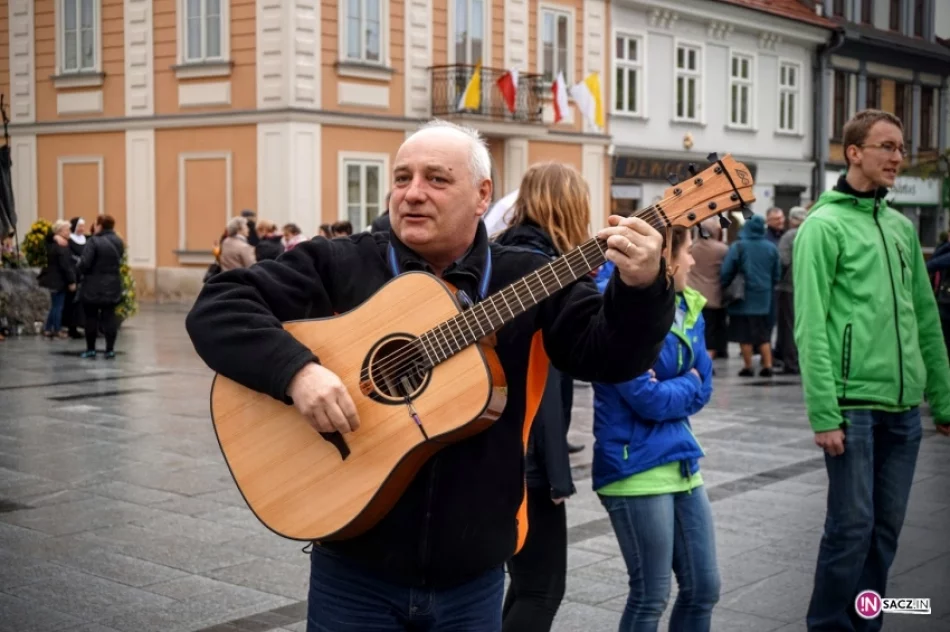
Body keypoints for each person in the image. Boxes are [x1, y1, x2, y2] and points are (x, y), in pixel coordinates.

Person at [185, 119, 675, 632]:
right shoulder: (339, 262)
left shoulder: (529, 275)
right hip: (354, 568)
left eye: (436, 179)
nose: (413, 193)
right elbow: (218, 305)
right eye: (403, 178)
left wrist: (643, 289)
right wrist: (297, 373)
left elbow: (610, 359)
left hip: (472, 576)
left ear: (482, 195)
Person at [794, 109, 950, 632]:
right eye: (887, 146)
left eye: (901, 148)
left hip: (903, 410)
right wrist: (824, 413)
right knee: (850, 529)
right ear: (854, 153)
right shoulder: (823, 226)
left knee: (884, 532)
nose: (897, 157)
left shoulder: (901, 228)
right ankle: (828, 626)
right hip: (852, 407)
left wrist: (944, 398)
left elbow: (925, 318)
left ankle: (866, 623)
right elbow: (810, 325)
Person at [592, 226, 720, 632]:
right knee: (651, 596)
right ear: (665, 258)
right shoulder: (617, 307)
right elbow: (645, 396)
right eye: (688, 251)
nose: (693, 260)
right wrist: (689, 382)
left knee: (704, 589)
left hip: (681, 460)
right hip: (634, 465)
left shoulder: (688, 304)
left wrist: (680, 385)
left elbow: (706, 384)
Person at [493, 162, 590, 632]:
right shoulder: (550, 271)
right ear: (572, 207)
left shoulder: (494, 256)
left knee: (519, 583)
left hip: (488, 440)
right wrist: (553, 469)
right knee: (542, 588)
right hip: (529, 449)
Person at [720, 215, 781, 377]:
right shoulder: (771, 248)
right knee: (763, 334)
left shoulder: (738, 246)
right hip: (764, 298)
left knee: (744, 334)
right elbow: (777, 274)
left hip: (742, 298)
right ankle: (767, 365)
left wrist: (725, 285)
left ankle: (748, 366)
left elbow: (726, 271)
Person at [78, 214, 125, 359]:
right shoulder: (118, 241)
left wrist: (79, 267)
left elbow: (85, 263)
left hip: (93, 285)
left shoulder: (93, 241)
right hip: (112, 284)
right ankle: (109, 350)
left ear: (99, 225)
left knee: (91, 317)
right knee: (110, 317)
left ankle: (91, 349)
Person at [688, 218, 729, 361]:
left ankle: (695, 360)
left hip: (692, 297)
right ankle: (707, 362)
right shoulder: (722, 249)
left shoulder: (691, 248)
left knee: (694, 331)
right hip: (714, 297)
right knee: (711, 333)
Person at [774, 206, 806, 374]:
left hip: (788, 287)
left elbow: (783, 261)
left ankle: (790, 362)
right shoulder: (810, 232)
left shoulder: (789, 236)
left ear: (793, 220)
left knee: (787, 325)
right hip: (805, 286)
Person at [37, 220, 77, 339]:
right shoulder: (61, 246)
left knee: (55, 305)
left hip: (53, 279)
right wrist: (72, 281)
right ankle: (57, 329)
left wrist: (54, 237)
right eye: (67, 230)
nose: (69, 232)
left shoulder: (53, 244)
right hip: (59, 280)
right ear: (60, 231)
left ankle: (48, 329)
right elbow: (66, 266)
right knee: (58, 306)